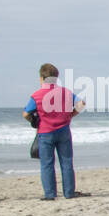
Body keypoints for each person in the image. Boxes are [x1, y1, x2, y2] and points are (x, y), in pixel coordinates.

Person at [23, 63, 87, 200]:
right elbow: (82, 103)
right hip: (63, 130)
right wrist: (71, 114)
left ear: (41, 78)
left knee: (47, 164)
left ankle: (50, 194)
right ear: (56, 78)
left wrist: (34, 121)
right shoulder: (66, 92)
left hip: (45, 131)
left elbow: (25, 113)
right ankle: (69, 192)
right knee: (67, 162)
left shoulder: (37, 95)